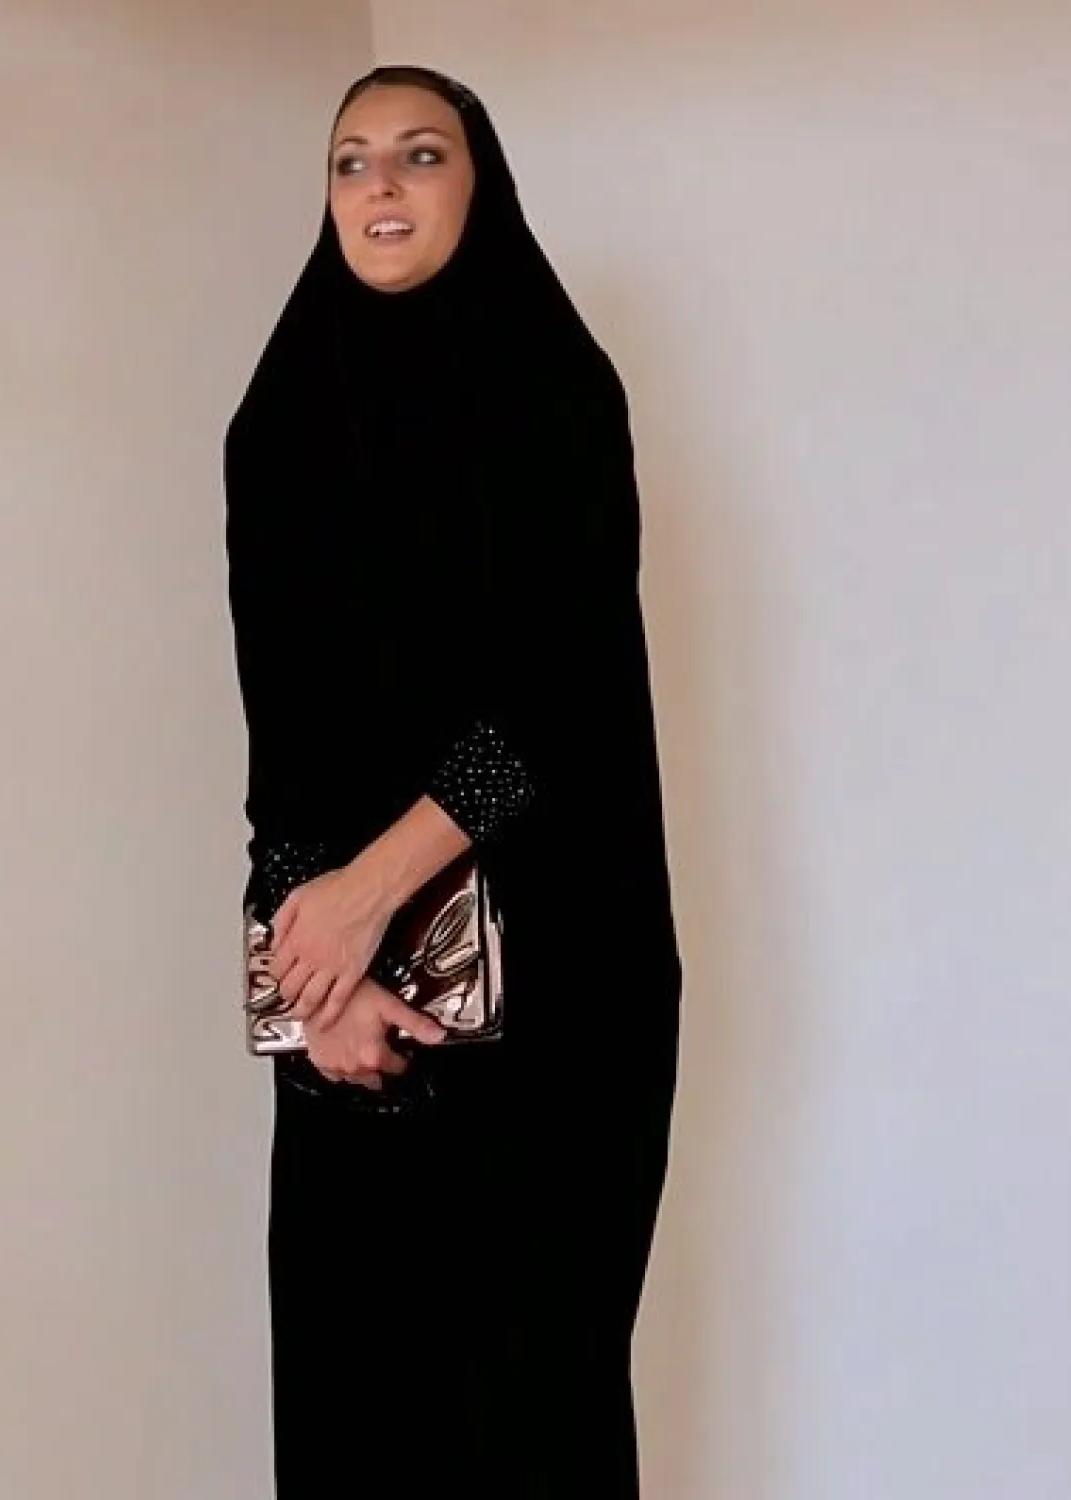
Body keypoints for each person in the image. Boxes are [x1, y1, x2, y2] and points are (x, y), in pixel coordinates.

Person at [224, 64, 682, 1499]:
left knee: (526, 1395)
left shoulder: (553, 395)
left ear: (480, 184)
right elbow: (277, 729)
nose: (380, 186)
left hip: (559, 977)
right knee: (357, 1393)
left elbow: (560, 697)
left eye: (421, 155)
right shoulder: (280, 421)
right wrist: (312, 974)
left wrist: (367, 895)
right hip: (346, 1005)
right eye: (350, 160)